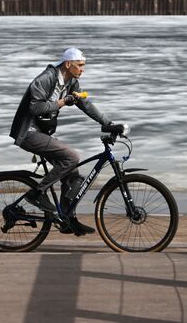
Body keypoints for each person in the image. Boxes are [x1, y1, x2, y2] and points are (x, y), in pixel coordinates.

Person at [9, 47, 112, 236]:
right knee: (71, 157)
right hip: (28, 133)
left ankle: (67, 219)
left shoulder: (71, 81)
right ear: (68, 64)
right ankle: (36, 194)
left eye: (83, 66)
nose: (83, 70)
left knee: (73, 174)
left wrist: (108, 123)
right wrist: (62, 102)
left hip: (42, 133)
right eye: (80, 66)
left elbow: (85, 104)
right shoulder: (46, 78)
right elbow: (35, 108)